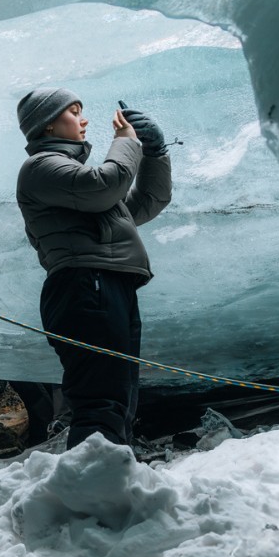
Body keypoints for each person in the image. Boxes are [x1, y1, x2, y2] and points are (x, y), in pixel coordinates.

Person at [13, 89, 172, 449]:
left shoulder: (71, 178)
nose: (83, 120)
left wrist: (155, 152)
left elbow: (147, 202)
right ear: (47, 123)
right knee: (102, 400)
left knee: (120, 399)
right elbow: (105, 187)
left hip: (103, 285)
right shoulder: (41, 168)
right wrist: (126, 140)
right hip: (84, 285)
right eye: (74, 112)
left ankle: (113, 474)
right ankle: (95, 479)